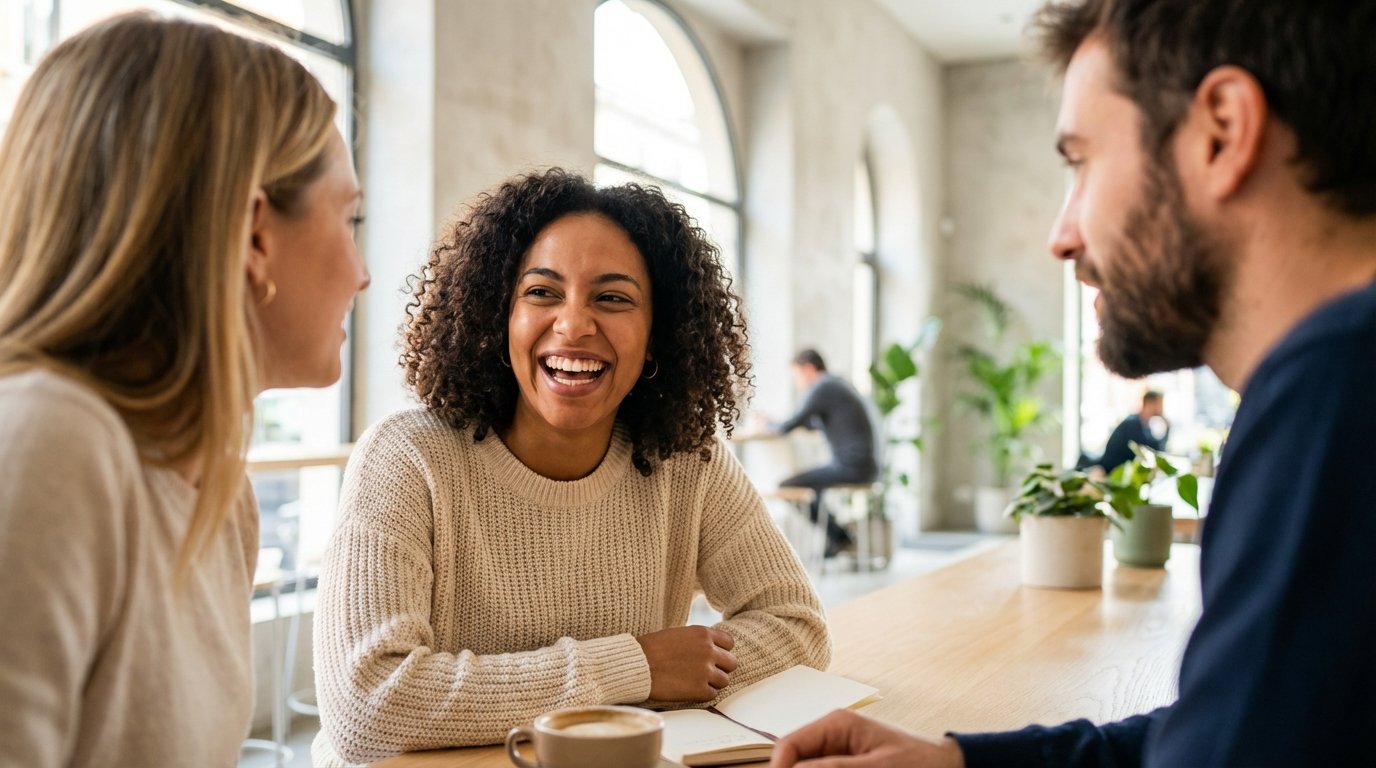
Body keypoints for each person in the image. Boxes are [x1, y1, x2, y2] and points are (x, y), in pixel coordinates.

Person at [773, 0, 1376, 766]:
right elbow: (1220, 729)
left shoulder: (1330, 393)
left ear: (1221, 131)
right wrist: (958, 762)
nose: (1063, 236)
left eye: (1081, 162)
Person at [311, 169, 830, 766]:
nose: (574, 324)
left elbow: (797, 626)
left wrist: (678, 668)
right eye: (542, 292)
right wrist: (637, 667)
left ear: (657, 333)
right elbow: (367, 705)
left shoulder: (688, 461)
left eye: (612, 298)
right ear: (496, 314)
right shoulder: (407, 459)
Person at [0, 12, 369, 768]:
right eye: (350, 217)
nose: (363, 273)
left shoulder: (217, 493)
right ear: (256, 235)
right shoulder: (49, 441)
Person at [771, 349, 880, 557]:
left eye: (797, 376)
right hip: (864, 466)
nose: (797, 383)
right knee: (813, 488)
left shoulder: (822, 386)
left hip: (852, 467)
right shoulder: (837, 384)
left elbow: (790, 425)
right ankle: (838, 537)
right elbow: (813, 424)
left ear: (809, 369)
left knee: (787, 486)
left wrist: (770, 425)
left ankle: (839, 536)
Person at [1086, 389, 1168, 472]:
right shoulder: (1133, 423)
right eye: (1160, 403)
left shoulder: (1145, 425)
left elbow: (1156, 449)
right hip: (1114, 470)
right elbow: (1150, 451)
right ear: (1150, 403)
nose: (1162, 408)